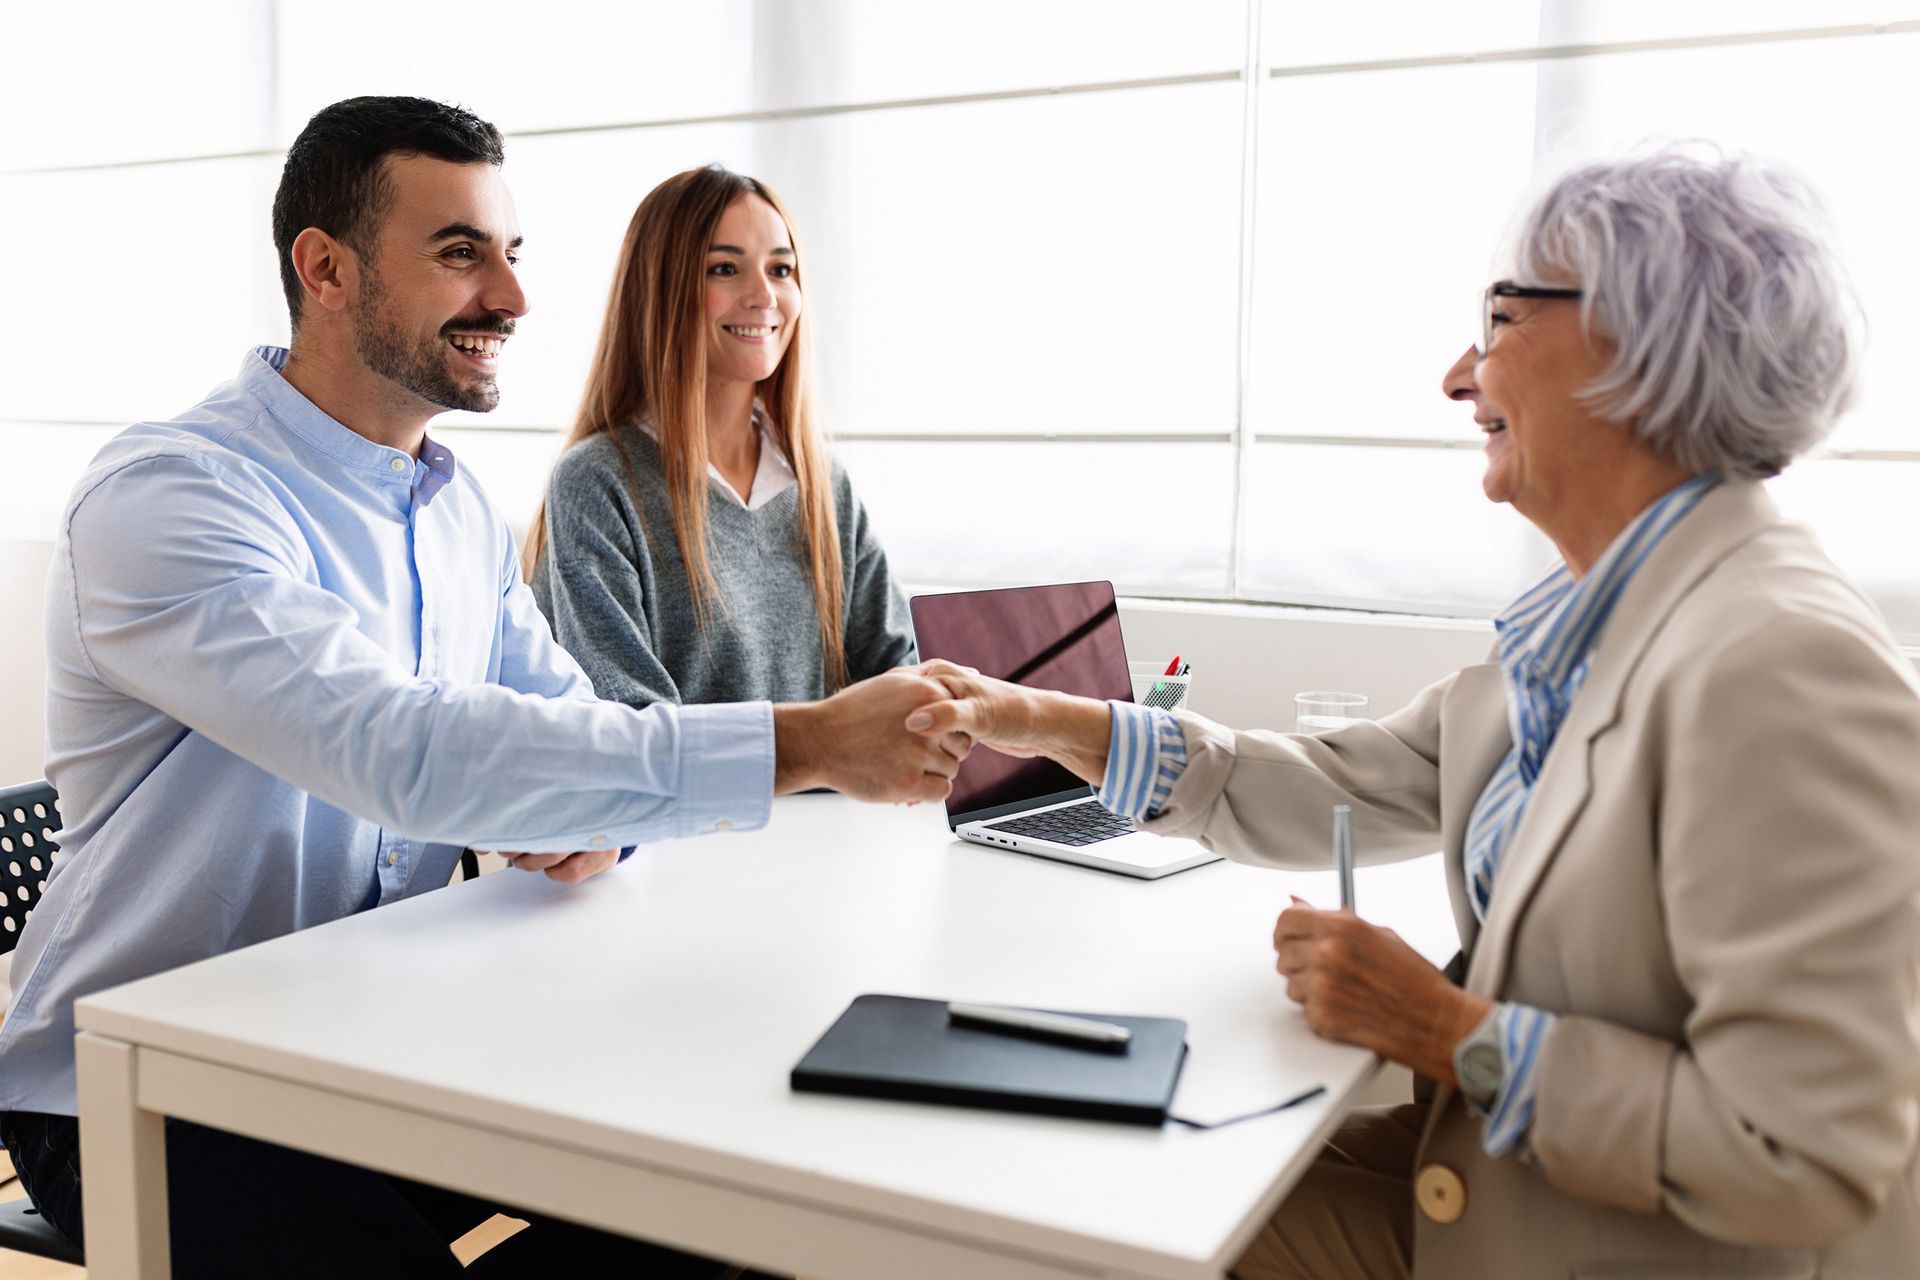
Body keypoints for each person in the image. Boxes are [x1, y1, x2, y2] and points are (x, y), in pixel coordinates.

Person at [904, 148, 1920, 1278]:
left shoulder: (1780, 666)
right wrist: (1051, 719)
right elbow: (1351, 779)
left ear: (1639, 345)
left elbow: (1802, 1153)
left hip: (1607, 1246)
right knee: (1081, 1178)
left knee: (1030, 1236)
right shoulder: (1591, 619)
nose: (1455, 375)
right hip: (1504, 1178)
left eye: (1498, 322)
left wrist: (1443, 1030)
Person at [0, 95, 966, 1277]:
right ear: (326, 270)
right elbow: (405, 752)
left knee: (722, 1214)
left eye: (511, 254)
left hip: (379, 1032)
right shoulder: (175, 498)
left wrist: (579, 796)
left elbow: (571, 734)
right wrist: (804, 742)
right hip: (140, 1082)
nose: (510, 299)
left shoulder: (452, 508)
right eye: (461, 254)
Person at [523, 164, 915, 708]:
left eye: (781, 269)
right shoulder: (598, 484)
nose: (764, 295)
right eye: (725, 268)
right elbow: (633, 729)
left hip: (825, 801)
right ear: (659, 290)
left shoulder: (823, 483)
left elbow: (898, 676)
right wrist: (827, 746)